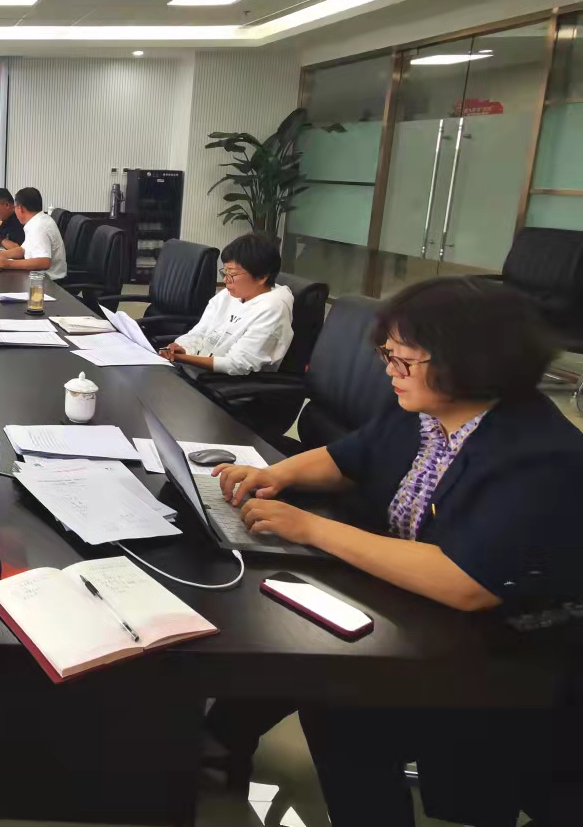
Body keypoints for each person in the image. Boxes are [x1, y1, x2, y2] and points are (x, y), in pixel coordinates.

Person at [206, 276, 583, 827]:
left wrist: (310, 528)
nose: (390, 371)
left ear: (474, 362)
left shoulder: (538, 456)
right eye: (387, 355)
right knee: (295, 627)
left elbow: (466, 583)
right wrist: (276, 475)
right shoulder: (427, 414)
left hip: (510, 649)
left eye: (404, 360)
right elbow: (346, 458)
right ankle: (218, 743)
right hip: (422, 607)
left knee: (340, 697)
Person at [158, 233, 295, 375]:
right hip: (198, 371)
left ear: (262, 277)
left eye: (232, 275)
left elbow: (238, 364)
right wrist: (183, 347)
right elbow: (199, 332)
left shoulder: (273, 308)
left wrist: (182, 358)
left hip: (232, 382)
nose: (225, 280)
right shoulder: (228, 295)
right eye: (225, 272)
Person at [0, 187, 67, 279]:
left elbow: (44, 262)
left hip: (47, 281)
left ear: (20, 208)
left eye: (15, 207)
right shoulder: (36, 221)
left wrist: (9, 264)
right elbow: (23, 250)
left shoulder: (39, 226)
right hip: (36, 276)